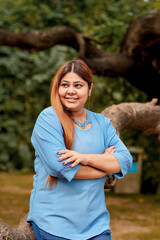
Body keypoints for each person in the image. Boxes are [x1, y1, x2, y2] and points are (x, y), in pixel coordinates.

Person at [27, 59, 133, 240]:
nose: (70, 91)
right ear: (57, 88)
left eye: (78, 85)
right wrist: (105, 167)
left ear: (89, 89)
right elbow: (60, 167)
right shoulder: (48, 119)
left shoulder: (102, 123)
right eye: (65, 85)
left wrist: (85, 158)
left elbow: (125, 160)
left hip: (96, 224)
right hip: (54, 223)